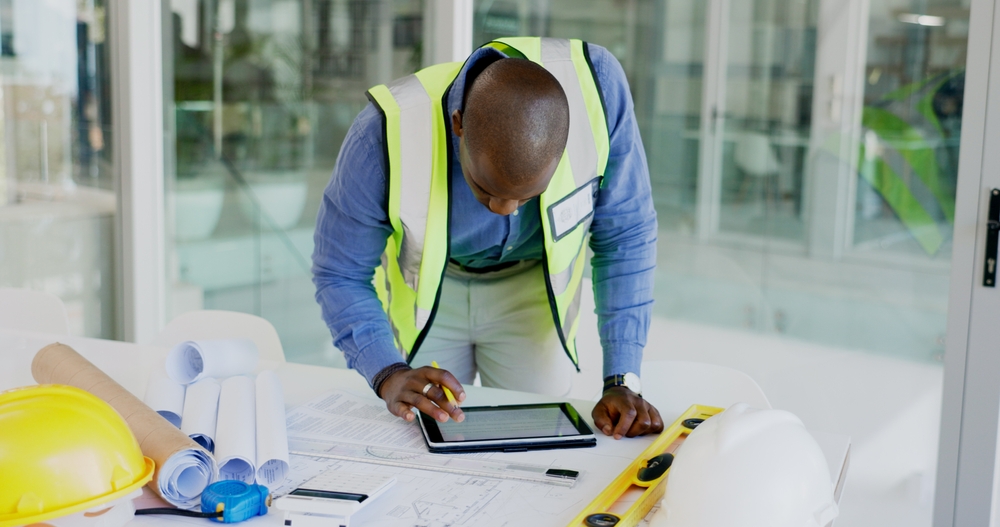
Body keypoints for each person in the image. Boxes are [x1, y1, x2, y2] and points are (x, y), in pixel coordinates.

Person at [312, 37, 662, 439]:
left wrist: (621, 380)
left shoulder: (598, 89)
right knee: (417, 439)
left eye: (525, 196)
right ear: (458, 125)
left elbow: (625, 235)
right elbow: (339, 271)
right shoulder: (382, 133)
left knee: (540, 442)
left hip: (532, 291)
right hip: (434, 295)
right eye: (487, 187)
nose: (504, 209)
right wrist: (388, 372)